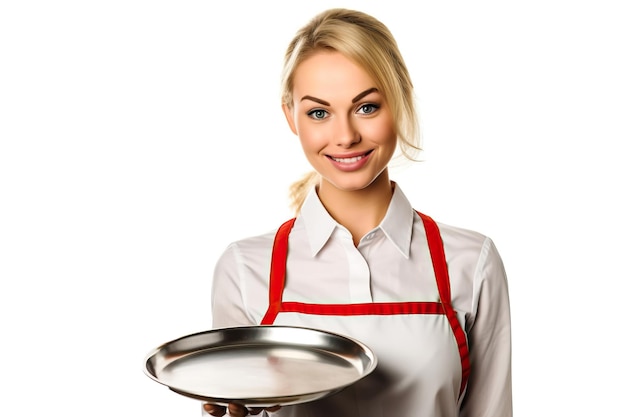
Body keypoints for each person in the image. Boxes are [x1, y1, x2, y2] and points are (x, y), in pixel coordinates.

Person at [202, 7, 512, 417]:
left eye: (366, 107)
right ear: (290, 117)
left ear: (399, 102)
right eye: (318, 112)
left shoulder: (471, 263)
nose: (345, 136)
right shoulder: (245, 269)